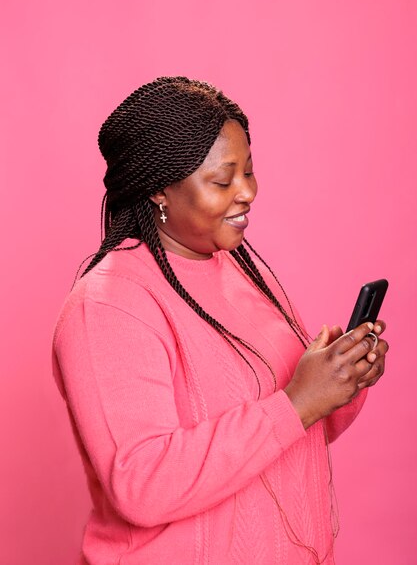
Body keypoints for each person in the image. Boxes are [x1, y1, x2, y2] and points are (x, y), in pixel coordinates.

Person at [53, 76, 388, 565]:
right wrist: (297, 401)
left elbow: (291, 435)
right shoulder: (108, 304)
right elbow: (141, 484)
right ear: (160, 190)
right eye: (223, 179)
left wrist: (340, 383)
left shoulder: (243, 273)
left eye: (249, 172)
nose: (247, 192)